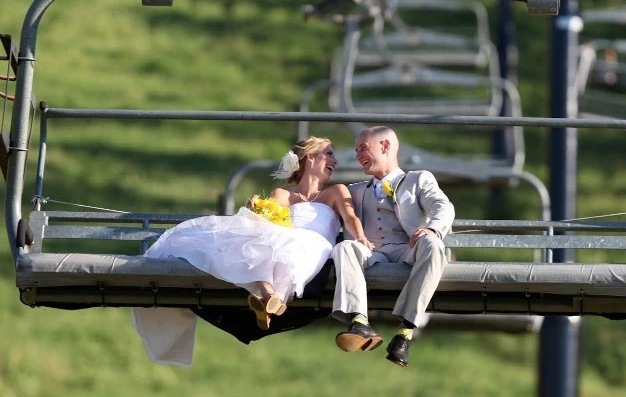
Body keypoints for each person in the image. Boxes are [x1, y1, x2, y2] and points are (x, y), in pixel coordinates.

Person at [131, 137, 374, 367]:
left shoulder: (334, 192)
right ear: (310, 157)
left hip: (315, 243)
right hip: (284, 239)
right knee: (261, 235)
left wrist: (361, 237)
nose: (335, 161)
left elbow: (350, 216)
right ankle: (269, 297)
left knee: (291, 246)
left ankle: (268, 298)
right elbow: (271, 224)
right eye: (329, 154)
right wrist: (255, 213)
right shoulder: (283, 194)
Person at [331, 126, 456, 368]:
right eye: (356, 151)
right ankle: (359, 321)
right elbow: (322, 205)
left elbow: (443, 206)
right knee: (345, 247)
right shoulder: (355, 191)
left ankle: (405, 332)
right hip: (372, 252)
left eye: (363, 148)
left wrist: (431, 229)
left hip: (407, 250)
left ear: (386, 146)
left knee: (433, 244)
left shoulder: (418, 179)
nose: (358, 156)